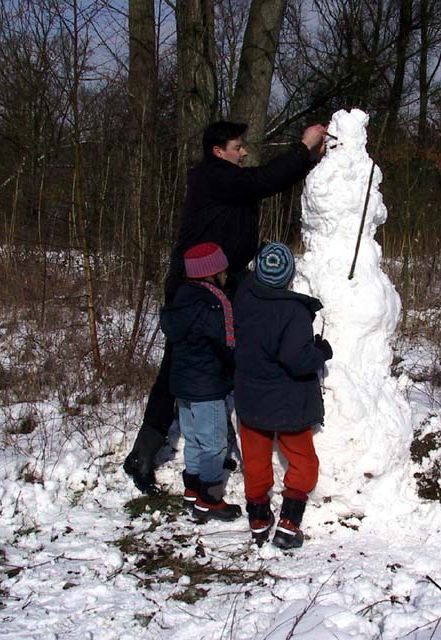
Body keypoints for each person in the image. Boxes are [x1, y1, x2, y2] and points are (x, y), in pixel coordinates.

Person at [124, 121, 327, 494]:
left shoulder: (226, 178)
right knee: (180, 364)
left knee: (236, 352)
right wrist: (303, 148)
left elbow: (258, 187)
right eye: (238, 146)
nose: (244, 151)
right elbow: (263, 182)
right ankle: (143, 453)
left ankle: (224, 439)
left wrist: (312, 163)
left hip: (226, 279)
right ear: (219, 152)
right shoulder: (212, 176)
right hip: (196, 286)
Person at [233, 242, 333, 549]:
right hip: (288, 405)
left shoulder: (243, 298)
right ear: (289, 277)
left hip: (250, 399)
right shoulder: (293, 311)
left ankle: (259, 518)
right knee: (303, 460)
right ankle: (290, 521)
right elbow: (297, 359)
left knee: (255, 460)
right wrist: (320, 351)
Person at [159, 242, 241, 521]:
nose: (226, 274)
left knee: (193, 437)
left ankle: (192, 489)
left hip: (183, 384)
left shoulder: (181, 297)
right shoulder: (215, 303)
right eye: (223, 270)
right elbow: (227, 343)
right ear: (212, 272)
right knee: (214, 443)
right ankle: (210, 498)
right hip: (208, 385)